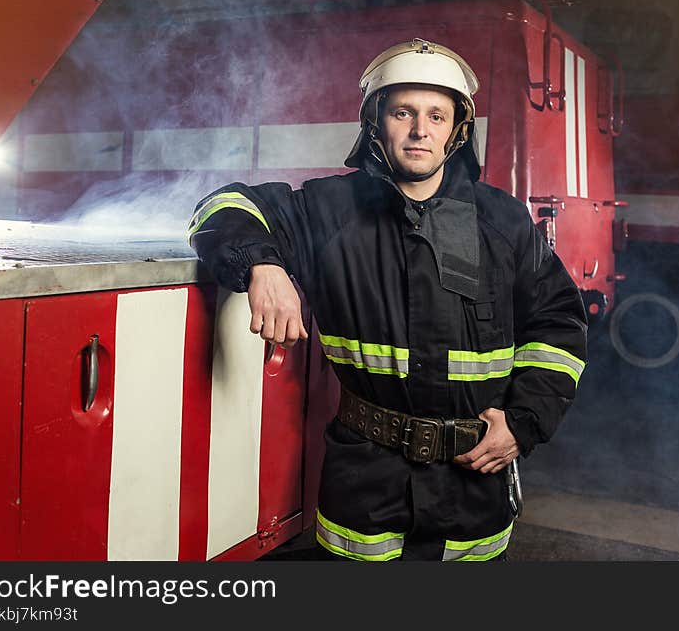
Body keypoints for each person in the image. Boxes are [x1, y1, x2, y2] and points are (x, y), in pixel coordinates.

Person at [188, 38, 587, 561]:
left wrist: (524, 422)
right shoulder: (330, 210)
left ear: (457, 131)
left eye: (437, 116)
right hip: (365, 484)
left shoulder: (503, 222)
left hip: (475, 485)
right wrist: (261, 264)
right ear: (376, 122)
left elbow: (558, 325)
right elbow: (221, 206)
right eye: (404, 112)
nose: (421, 130)